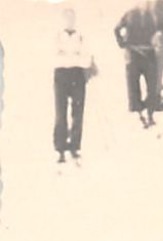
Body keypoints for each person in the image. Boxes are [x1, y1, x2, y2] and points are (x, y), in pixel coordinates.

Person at [53, 6, 94, 163]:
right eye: (67, 18)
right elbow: (54, 58)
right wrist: (73, 56)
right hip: (61, 75)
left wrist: (70, 56)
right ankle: (60, 148)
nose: (69, 21)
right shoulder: (57, 37)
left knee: (78, 112)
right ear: (63, 20)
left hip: (77, 74)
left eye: (72, 18)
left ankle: (75, 146)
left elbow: (87, 58)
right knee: (60, 113)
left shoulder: (81, 37)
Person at [115, 0, 162, 128]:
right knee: (133, 86)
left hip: (149, 53)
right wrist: (122, 44)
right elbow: (117, 29)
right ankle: (139, 115)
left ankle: (150, 113)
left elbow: (160, 31)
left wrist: (158, 40)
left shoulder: (152, 15)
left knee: (152, 86)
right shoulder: (130, 14)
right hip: (133, 54)